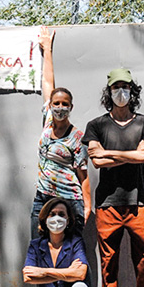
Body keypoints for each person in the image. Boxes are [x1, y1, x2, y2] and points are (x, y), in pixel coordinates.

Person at [82, 67, 144, 287]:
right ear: (109, 92)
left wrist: (110, 152)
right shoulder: (96, 125)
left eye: (125, 86)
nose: (120, 92)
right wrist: (131, 153)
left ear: (133, 90)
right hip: (107, 205)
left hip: (138, 203)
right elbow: (97, 161)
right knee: (108, 262)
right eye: (116, 87)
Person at [31, 26, 90, 238]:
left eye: (65, 104)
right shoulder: (47, 122)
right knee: (38, 248)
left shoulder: (77, 136)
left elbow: (83, 174)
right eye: (56, 103)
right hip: (43, 196)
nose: (60, 107)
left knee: (73, 252)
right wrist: (47, 50)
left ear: (71, 107)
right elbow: (48, 83)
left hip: (69, 199)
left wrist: (87, 205)